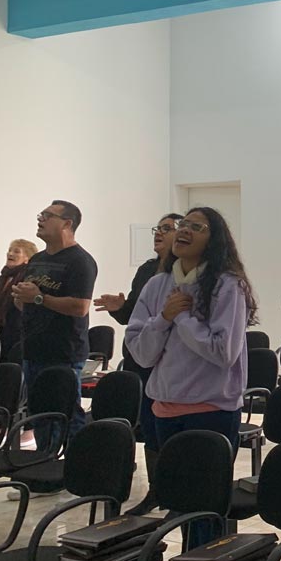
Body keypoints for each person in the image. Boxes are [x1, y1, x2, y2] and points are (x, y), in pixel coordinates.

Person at [128, 208, 254, 453]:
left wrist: (182, 318)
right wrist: (164, 318)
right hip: (164, 407)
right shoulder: (156, 284)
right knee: (168, 477)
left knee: (205, 479)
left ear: (214, 241)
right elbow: (142, 355)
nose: (185, 230)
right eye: (183, 225)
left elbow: (224, 353)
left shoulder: (228, 285)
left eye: (197, 227)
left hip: (212, 410)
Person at [92, 212, 182, 515]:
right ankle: (156, 491)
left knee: (169, 427)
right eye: (158, 228)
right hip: (138, 359)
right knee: (149, 426)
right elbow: (135, 317)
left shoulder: (185, 273)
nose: (159, 233)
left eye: (167, 229)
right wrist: (120, 309)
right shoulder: (146, 270)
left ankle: (174, 492)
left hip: (167, 360)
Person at [13, 201, 96, 450]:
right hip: (33, 349)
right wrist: (21, 299)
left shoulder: (81, 261)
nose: (40, 219)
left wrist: (38, 298)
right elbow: (28, 303)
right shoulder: (37, 259)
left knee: (67, 414)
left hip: (63, 352)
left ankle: (77, 465)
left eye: (48, 216)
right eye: (41, 214)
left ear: (67, 224)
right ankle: (45, 462)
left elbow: (80, 307)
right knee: (39, 413)